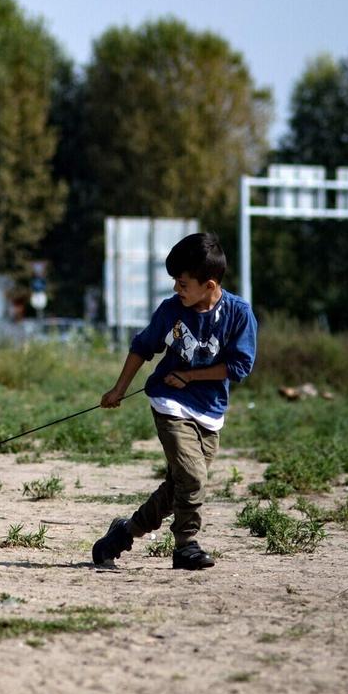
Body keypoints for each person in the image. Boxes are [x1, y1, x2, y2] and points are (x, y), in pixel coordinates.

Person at [91, 232, 257, 570]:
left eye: (182, 284)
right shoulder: (170, 311)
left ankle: (125, 532)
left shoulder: (239, 314)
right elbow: (142, 347)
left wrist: (192, 376)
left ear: (209, 285)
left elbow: (240, 366)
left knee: (181, 484)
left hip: (210, 412)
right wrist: (118, 389)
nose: (176, 290)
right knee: (193, 477)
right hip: (169, 403)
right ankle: (186, 546)